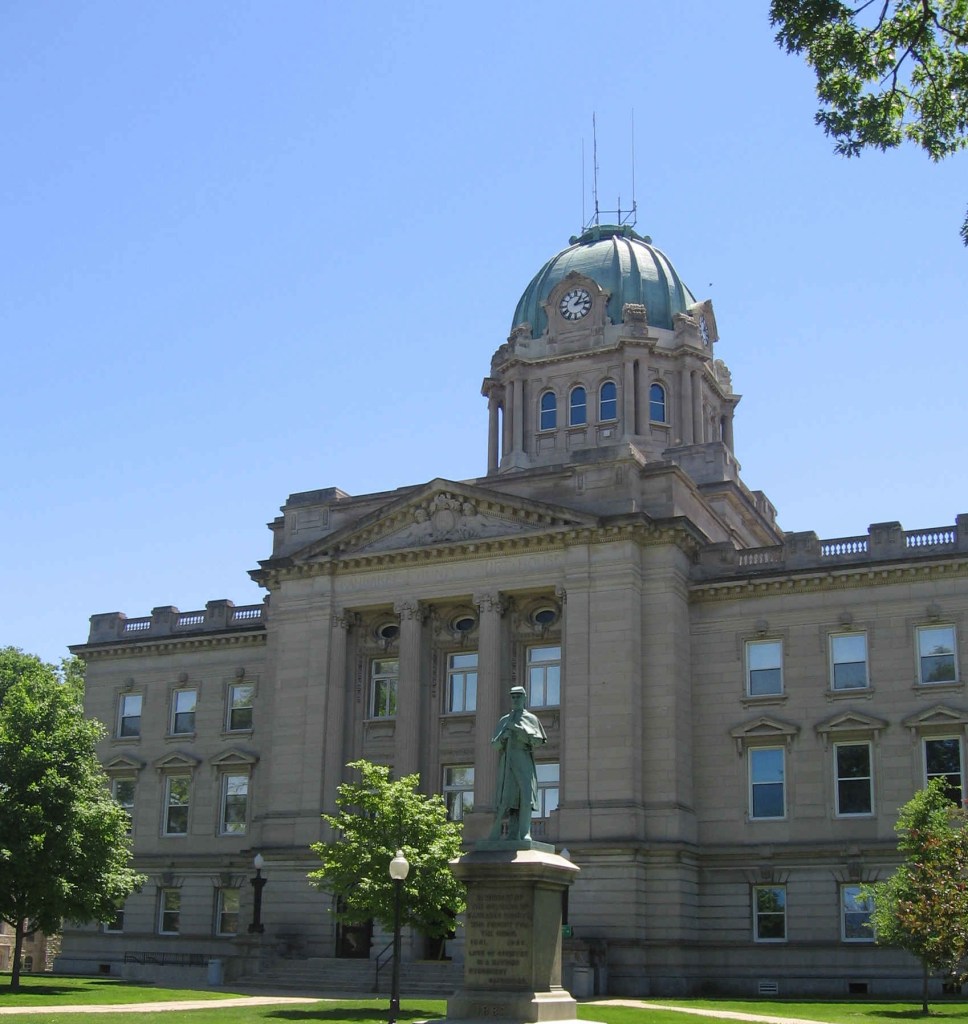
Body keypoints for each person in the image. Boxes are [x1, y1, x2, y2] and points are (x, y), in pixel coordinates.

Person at [488, 686, 548, 841]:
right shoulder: (504, 720)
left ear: (524, 698)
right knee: (509, 799)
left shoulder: (531, 719)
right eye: (513, 697)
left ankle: (525, 832)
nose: (515, 699)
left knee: (526, 796)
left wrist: (519, 731)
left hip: (523, 759)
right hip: (507, 761)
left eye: (518, 696)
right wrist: (503, 737)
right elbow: (494, 745)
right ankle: (512, 834)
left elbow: (537, 741)